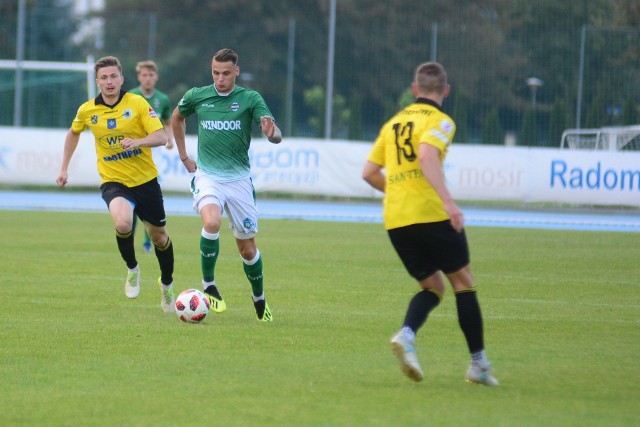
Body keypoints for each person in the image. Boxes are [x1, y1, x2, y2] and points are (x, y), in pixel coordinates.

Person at [362, 61, 498, 386]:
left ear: (414, 89)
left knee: (433, 286)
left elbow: (368, 173)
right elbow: (426, 156)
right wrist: (449, 202)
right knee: (463, 281)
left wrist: (396, 191)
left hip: (395, 218)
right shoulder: (441, 121)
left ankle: (407, 335)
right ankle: (478, 364)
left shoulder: (393, 122)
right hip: (430, 212)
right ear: (445, 91)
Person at [56, 55, 176, 313]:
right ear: (97, 81)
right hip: (114, 181)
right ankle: (132, 268)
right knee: (122, 222)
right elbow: (73, 132)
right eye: (103, 77)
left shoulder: (138, 103)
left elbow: (161, 136)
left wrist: (138, 142)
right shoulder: (87, 110)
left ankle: (166, 285)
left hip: (146, 181)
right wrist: (64, 167)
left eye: (113, 77)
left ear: (121, 79)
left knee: (160, 238)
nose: (109, 82)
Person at [172, 48, 282, 322]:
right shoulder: (198, 95)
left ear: (236, 72)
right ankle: (209, 285)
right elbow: (177, 118)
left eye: (225, 73)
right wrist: (184, 156)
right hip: (208, 176)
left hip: (239, 182)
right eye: (215, 73)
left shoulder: (250, 98)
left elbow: (274, 131)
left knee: (247, 249)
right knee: (211, 223)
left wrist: (272, 135)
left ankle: (259, 299)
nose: (220, 79)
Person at [129, 60, 175, 253]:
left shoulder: (162, 99)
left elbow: (168, 121)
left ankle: (148, 242)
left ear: (155, 77)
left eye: (151, 75)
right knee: (130, 200)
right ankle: (128, 238)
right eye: (144, 75)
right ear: (139, 77)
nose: (147, 78)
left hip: (152, 155)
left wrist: (170, 139)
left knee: (149, 201)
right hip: (132, 154)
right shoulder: (131, 96)